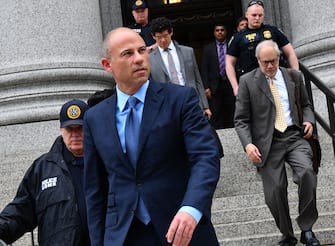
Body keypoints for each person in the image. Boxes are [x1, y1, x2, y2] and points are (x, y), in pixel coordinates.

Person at [83, 27, 220, 245]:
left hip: (181, 228)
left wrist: (192, 208)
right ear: (107, 65)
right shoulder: (94, 118)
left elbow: (205, 158)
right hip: (124, 234)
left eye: (142, 51)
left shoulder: (181, 99)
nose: (138, 59)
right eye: (128, 54)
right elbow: (95, 190)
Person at [234, 40, 320, 246]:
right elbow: (241, 119)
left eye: (273, 61)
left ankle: (307, 229)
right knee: (275, 191)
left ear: (279, 58)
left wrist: (308, 120)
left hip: (294, 136)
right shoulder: (247, 81)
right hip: (267, 142)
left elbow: (306, 105)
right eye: (265, 62)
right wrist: (248, 144)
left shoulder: (294, 76)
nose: (270, 66)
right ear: (258, 61)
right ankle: (287, 235)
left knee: (307, 173)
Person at [0, 99, 90, 246]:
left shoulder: (106, 163)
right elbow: (21, 211)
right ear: (61, 129)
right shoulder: (42, 168)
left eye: (80, 128)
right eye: (69, 129)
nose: (75, 134)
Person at [226, 0, 299, 96]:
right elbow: (229, 62)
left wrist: (296, 74)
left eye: (260, 15)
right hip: (251, 83)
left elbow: (290, 52)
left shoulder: (273, 31)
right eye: (254, 15)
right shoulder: (238, 37)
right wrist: (235, 87)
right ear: (247, 15)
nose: (257, 18)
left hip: (275, 79)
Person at [149, 17, 211, 118]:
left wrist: (205, 106)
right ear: (153, 36)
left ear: (171, 32)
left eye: (165, 36)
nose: (163, 40)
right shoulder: (150, 59)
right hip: (167, 107)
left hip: (191, 102)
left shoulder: (188, 52)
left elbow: (197, 79)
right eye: (159, 37)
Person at [201, 23, 234, 129]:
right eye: (217, 30)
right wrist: (206, 87)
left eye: (222, 30)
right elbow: (204, 69)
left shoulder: (232, 45)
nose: (220, 32)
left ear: (226, 32)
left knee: (231, 109)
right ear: (214, 32)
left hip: (230, 83)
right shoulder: (208, 48)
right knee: (216, 111)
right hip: (215, 85)